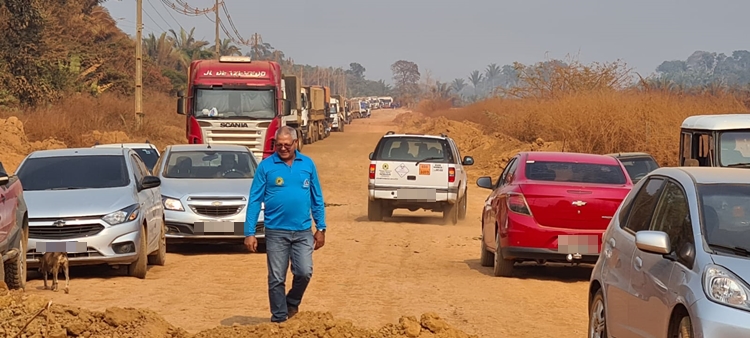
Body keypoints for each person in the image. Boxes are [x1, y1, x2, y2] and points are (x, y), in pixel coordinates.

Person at [243, 125, 327, 323]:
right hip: (276, 232)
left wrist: (321, 228)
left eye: (287, 145)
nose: (283, 148)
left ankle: (292, 302)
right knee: (276, 278)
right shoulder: (265, 166)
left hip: (303, 231)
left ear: (295, 143)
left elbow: (317, 198)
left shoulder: (307, 164)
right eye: (278, 145)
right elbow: (255, 200)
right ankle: (279, 318)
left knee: (304, 272)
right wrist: (250, 232)